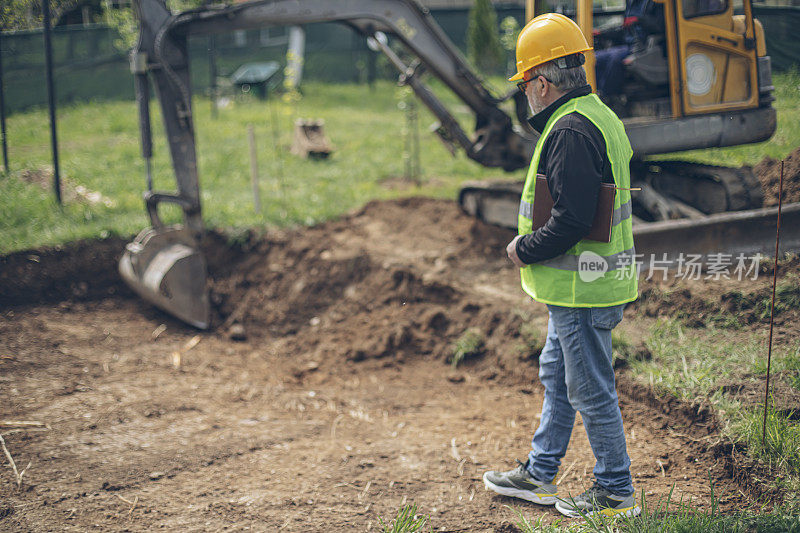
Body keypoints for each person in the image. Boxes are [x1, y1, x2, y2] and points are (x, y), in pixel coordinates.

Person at [482, 13, 640, 518]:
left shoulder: (570, 130)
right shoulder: (597, 115)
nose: (524, 93)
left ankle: (616, 492)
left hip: (582, 291)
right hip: (583, 286)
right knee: (558, 373)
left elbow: (571, 220)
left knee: (590, 389)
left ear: (542, 82)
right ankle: (540, 473)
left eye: (525, 82)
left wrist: (521, 249)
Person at [594, 0, 665, 97]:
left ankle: (609, 97)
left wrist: (639, 20)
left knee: (615, 59)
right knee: (596, 58)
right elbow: (624, 30)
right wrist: (602, 33)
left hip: (644, 46)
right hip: (628, 45)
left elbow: (660, 26)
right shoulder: (630, 3)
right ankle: (596, 92)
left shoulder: (655, 3)